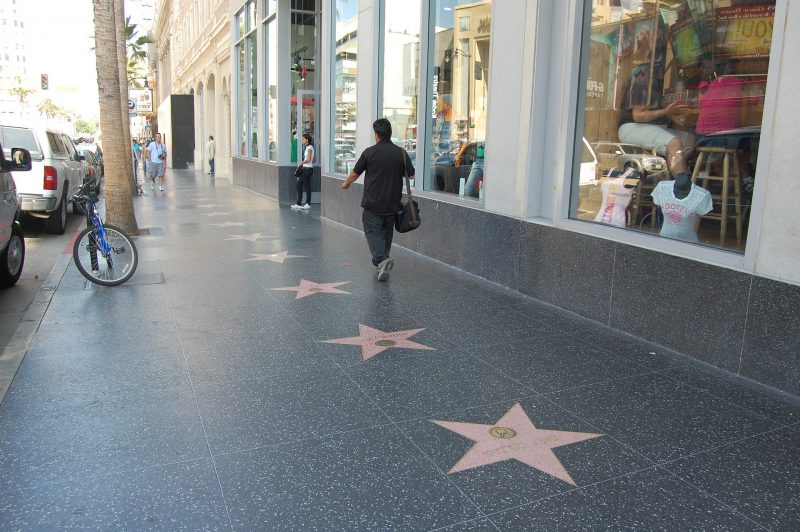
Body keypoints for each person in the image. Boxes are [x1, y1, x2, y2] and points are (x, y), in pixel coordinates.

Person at [341, 118, 415, 282]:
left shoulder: (369, 152)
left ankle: (382, 261)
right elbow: (411, 174)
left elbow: (355, 173)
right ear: (390, 134)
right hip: (393, 204)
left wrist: (346, 183)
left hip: (373, 203)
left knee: (373, 233)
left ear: (377, 135)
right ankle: (383, 263)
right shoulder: (400, 152)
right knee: (386, 235)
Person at [618, 64, 693, 183]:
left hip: (650, 127)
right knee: (674, 144)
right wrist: (666, 111)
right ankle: (681, 188)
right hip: (632, 127)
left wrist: (673, 117)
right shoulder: (642, 80)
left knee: (691, 141)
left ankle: (671, 175)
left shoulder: (656, 83)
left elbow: (654, 110)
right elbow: (638, 116)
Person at [651, 172, 712, 243]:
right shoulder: (662, 188)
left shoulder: (701, 195)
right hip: (663, 240)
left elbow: (701, 213)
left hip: (688, 243)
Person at [291, 134, 314, 210]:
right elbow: (314, 158)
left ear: (307, 140)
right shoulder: (307, 147)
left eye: (303, 139)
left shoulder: (310, 147)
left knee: (307, 186)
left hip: (307, 170)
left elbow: (309, 159)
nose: (302, 140)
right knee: (298, 185)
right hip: (305, 169)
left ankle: (308, 204)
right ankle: (298, 203)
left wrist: (301, 163)